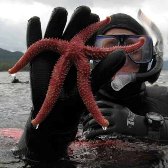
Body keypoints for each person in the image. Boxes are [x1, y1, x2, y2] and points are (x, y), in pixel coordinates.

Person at [15, 6, 168, 167]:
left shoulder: (164, 98)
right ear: (94, 56)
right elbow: (21, 158)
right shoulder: (70, 109)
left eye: (135, 47)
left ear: (149, 56)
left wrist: (147, 128)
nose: (123, 56)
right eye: (109, 46)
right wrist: (42, 143)